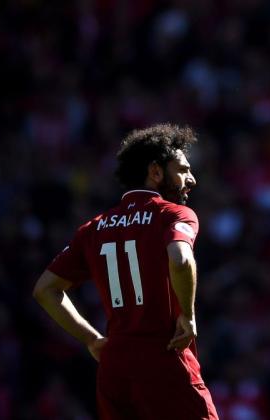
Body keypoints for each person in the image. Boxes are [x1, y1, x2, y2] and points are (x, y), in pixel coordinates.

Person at [33, 124, 219, 419]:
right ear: (155, 172)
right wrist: (188, 314)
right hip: (164, 361)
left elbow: (45, 290)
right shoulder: (173, 214)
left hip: (115, 370)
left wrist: (91, 339)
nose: (191, 179)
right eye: (183, 169)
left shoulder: (93, 228)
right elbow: (181, 260)